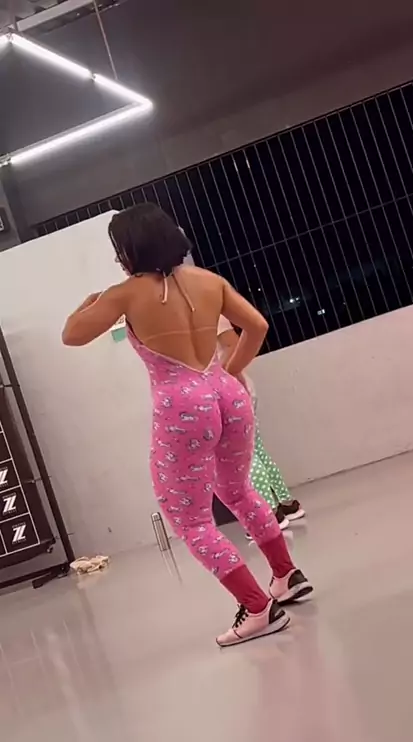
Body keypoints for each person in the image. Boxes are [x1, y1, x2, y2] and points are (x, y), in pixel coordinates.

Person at [62, 204, 312, 646]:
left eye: (118, 248)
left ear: (130, 250)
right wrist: (230, 373)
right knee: (239, 491)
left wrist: (87, 304)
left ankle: (258, 608)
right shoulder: (208, 281)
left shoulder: (124, 294)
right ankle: (286, 575)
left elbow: (72, 335)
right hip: (226, 393)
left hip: (182, 407)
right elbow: (256, 325)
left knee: (190, 520)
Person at [217, 316, 305, 532]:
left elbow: (232, 345)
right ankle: (286, 504)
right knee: (256, 450)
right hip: (237, 390)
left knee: (245, 455)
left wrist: (222, 379)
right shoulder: (207, 311)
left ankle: (270, 514)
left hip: (229, 393)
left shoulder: (205, 314)